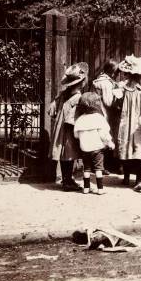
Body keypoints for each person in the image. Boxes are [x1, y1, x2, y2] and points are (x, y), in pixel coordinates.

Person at [49, 62, 88, 191]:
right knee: (69, 154)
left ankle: (67, 179)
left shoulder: (63, 94)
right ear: (82, 83)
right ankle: (67, 181)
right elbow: (72, 117)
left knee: (64, 153)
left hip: (60, 127)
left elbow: (52, 109)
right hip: (69, 128)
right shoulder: (78, 97)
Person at [114, 55, 141, 186]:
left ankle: (126, 176)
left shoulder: (124, 88)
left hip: (127, 121)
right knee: (139, 147)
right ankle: (139, 178)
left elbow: (117, 104)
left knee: (126, 145)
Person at [73, 92, 115, 195]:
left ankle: (86, 188)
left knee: (86, 168)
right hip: (97, 148)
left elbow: (76, 135)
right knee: (98, 168)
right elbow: (104, 134)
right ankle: (100, 188)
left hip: (84, 148)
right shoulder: (99, 118)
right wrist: (110, 143)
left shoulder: (80, 119)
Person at [92, 59, 120, 175]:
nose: (117, 74)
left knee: (97, 138)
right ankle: (101, 167)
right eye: (116, 72)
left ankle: (96, 165)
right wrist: (117, 96)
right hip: (104, 113)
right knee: (105, 138)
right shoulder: (106, 83)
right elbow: (108, 102)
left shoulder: (97, 80)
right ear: (112, 71)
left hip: (95, 111)